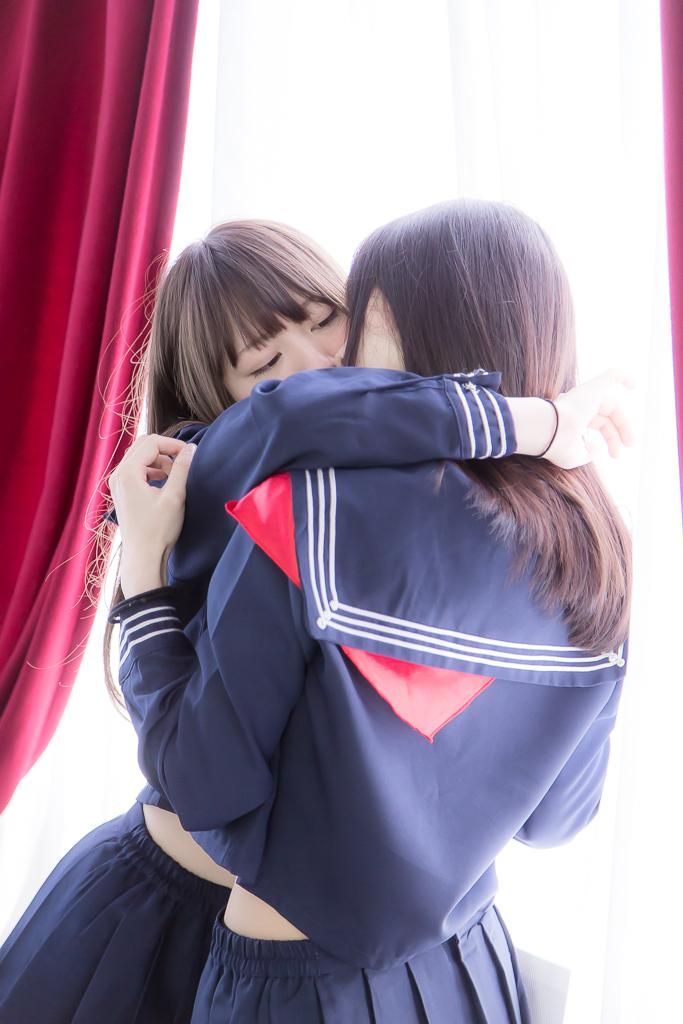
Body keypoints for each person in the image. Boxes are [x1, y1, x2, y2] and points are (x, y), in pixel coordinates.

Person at [0, 219, 592, 1024]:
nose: (313, 369)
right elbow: (295, 421)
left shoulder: (461, 517)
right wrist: (142, 566)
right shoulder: (238, 477)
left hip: (352, 951)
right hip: (171, 918)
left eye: (324, 321)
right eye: (263, 368)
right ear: (226, 408)